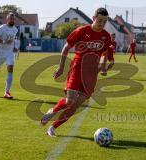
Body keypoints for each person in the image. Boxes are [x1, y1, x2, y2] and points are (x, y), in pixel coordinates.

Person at [40, 8, 111, 137]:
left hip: (91, 74)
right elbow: (66, 48)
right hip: (77, 68)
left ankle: (52, 128)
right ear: (93, 18)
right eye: (100, 20)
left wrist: (102, 65)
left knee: (75, 105)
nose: (102, 24)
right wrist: (61, 67)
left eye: (104, 21)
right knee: (70, 102)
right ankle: (53, 111)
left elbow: (105, 53)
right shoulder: (81, 31)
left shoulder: (106, 36)